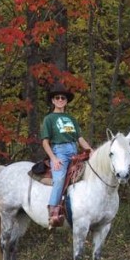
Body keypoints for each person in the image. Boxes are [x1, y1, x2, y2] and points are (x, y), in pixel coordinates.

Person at [40, 83, 93, 228]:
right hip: (59, 151)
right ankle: (53, 213)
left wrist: (90, 150)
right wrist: (54, 158)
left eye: (63, 98)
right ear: (53, 101)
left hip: (74, 151)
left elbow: (79, 139)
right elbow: (45, 142)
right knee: (60, 179)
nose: (60, 100)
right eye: (57, 97)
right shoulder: (49, 119)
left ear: (66, 101)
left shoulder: (72, 119)